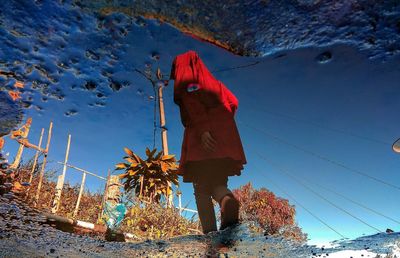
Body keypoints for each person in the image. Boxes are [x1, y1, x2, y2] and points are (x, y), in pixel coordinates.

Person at [170, 50, 247, 234]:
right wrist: (222, 125)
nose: (174, 76)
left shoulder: (186, 71)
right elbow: (234, 101)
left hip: (202, 137)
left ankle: (210, 241)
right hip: (223, 141)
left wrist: (204, 128)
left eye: (174, 71)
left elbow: (190, 98)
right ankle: (227, 201)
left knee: (201, 188)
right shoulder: (215, 84)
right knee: (218, 183)